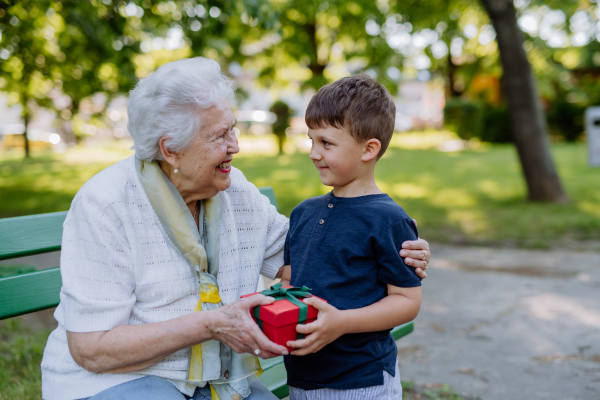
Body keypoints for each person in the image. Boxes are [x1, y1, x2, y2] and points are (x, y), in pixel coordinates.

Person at [40, 58, 431, 400]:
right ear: (170, 149)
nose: (236, 146)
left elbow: (308, 253)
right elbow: (91, 348)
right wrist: (212, 324)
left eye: (234, 129)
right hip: (118, 380)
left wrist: (400, 251)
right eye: (220, 136)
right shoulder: (107, 204)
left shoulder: (232, 190)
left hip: (220, 380)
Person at [279, 74, 422, 399]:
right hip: (302, 378)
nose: (314, 153)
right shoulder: (302, 213)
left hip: (363, 380)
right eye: (311, 140)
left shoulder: (389, 219)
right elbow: (290, 281)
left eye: (326, 143)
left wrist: (341, 322)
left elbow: (406, 301)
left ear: (369, 149)